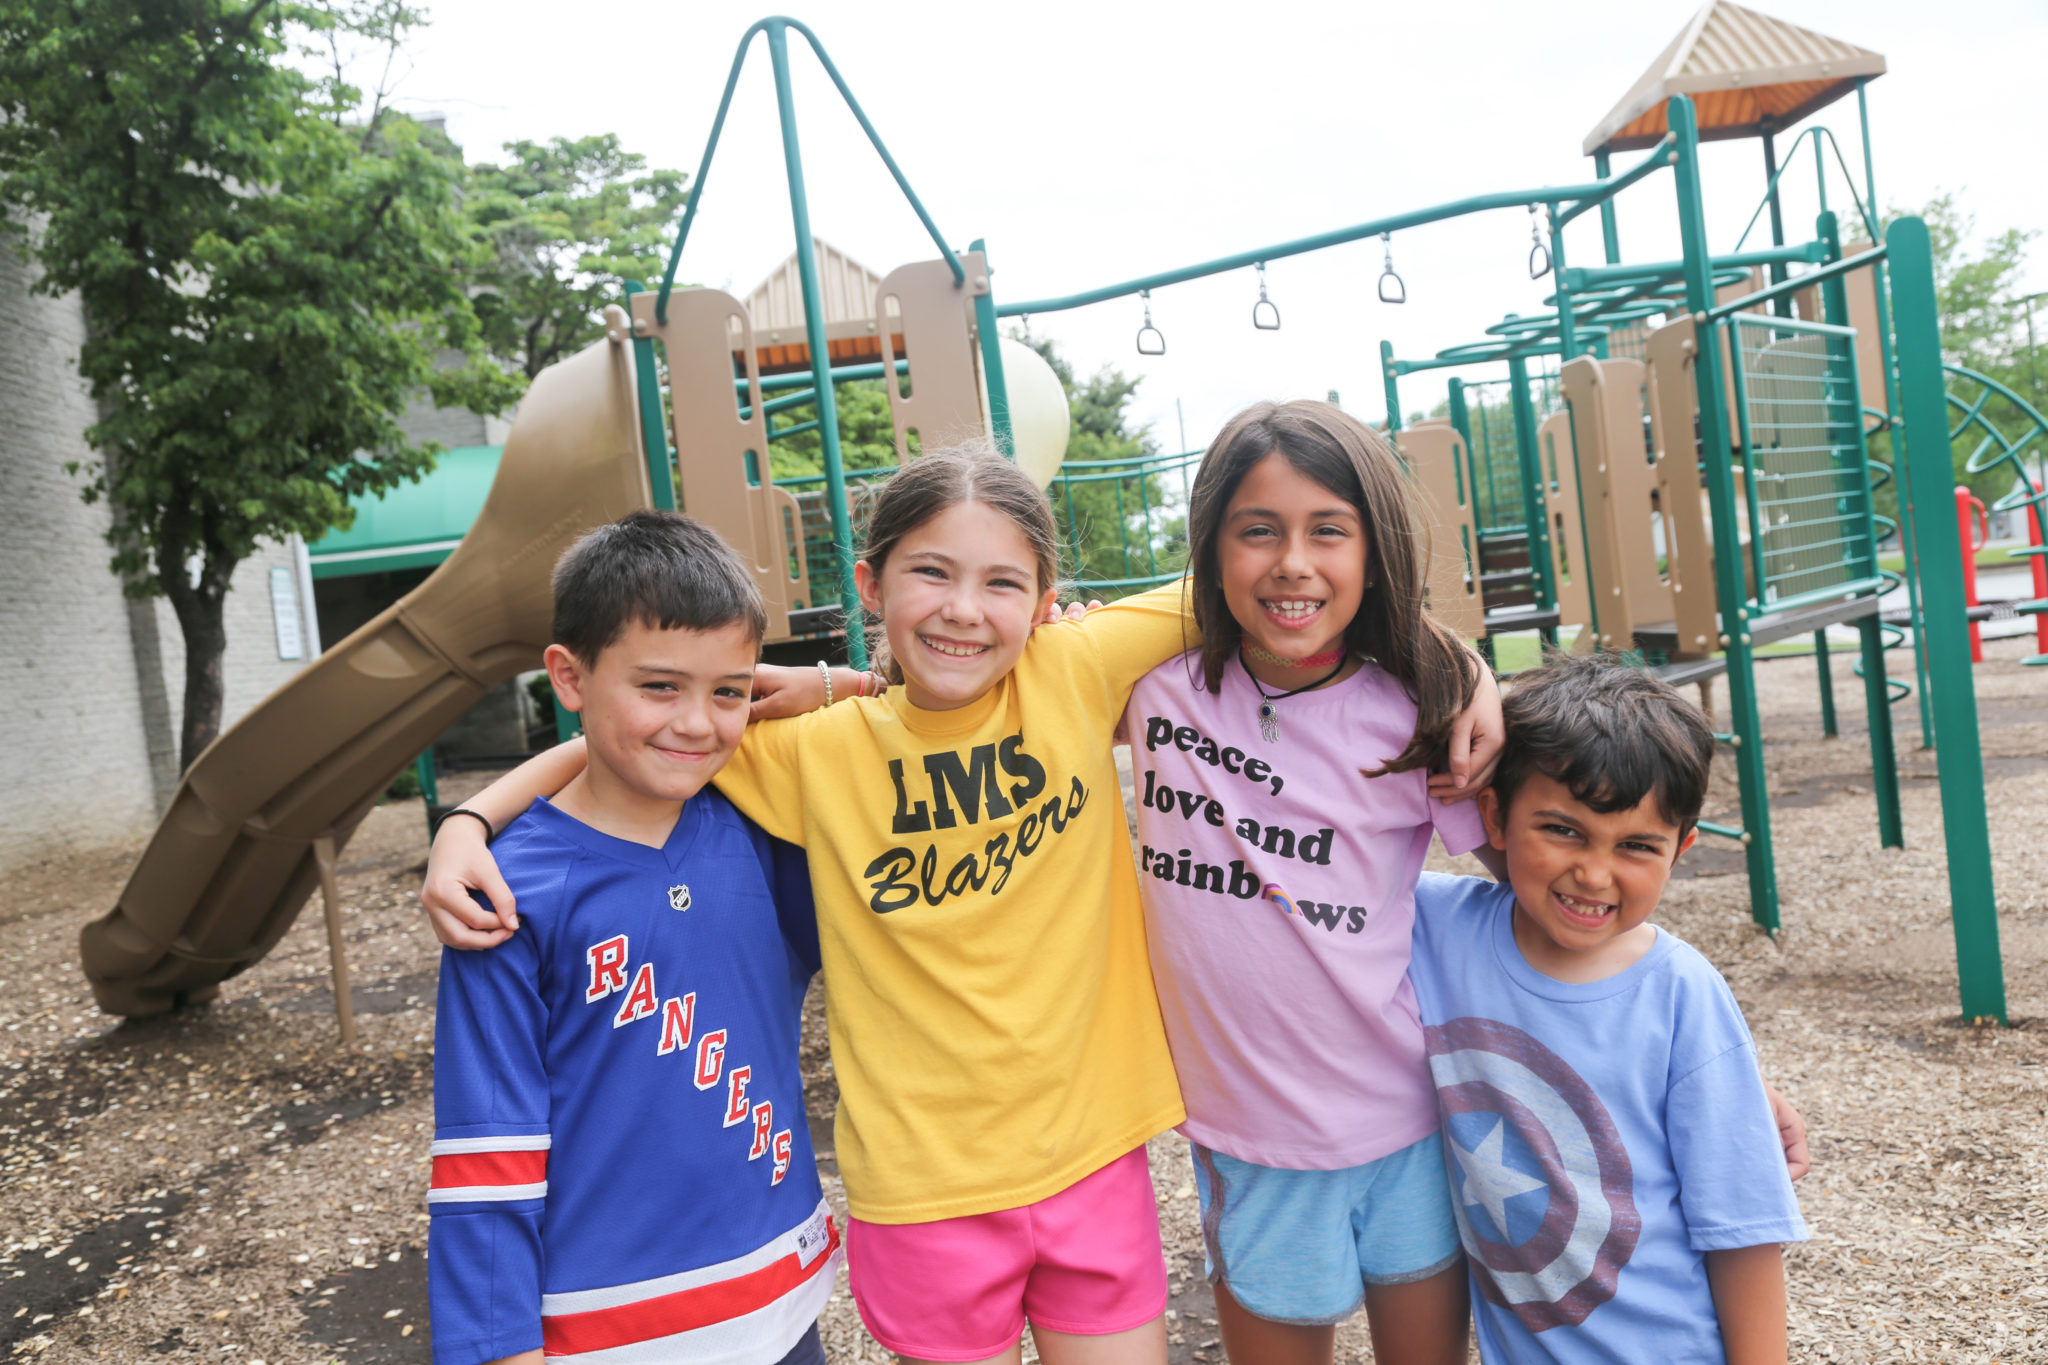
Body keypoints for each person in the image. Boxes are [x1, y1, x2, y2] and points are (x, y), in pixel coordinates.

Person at [421, 446, 1509, 1365]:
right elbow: (647, 720)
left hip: (1093, 1155)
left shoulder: (1076, 672)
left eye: (999, 585)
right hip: (923, 1186)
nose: (959, 609)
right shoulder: (808, 753)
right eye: (929, 573)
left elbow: (1295, 587)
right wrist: (471, 822)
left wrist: (1466, 666)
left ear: (1042, 606)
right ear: (870, 581)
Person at [1123, 401, 1492, 1365]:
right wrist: (842, 686)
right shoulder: (1153, 687)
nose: (1292, 561)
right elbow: (986, 668)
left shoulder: (1421, 714)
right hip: (1251, 1140)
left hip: (1409, 1116)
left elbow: (1534, 883)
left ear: (1374, 552)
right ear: (1210, 549)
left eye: (1329, 529)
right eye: (1259, 530)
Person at [426, 512, 837, 1365]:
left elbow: (935, 715)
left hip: (781, 1297)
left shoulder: (765, 835)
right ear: (568, 678)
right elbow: (485, 1154)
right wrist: (498, 1349)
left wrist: (841, 685)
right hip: (610, 1328)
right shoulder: (505, 893)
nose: (698, 722)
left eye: (729, 690)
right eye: (659, 686)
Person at [1408, 652, 1808, 1364]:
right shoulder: (1432, 930)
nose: (1594, 872)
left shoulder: (1682, 995)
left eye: (1635, 846)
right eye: (1562, 829)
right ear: (1492, 814)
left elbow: (1743, 1229)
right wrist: (1466, 678)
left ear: (1680, 851)